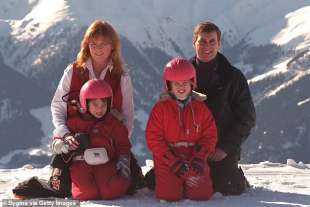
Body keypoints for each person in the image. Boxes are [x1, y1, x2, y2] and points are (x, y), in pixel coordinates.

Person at [49, 20, 144, 197]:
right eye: (93, 44)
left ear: (113, 47)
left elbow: (128, 113)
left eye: (104, 44)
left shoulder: (120, 76)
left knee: (125, 186)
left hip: (108, 143)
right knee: (62, 189)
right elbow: (57, 106)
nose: (98, 48)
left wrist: (116, 143)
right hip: (76, 143)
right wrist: (65, 134)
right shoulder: (73, 71)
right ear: (86, 45)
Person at [189, 21, 256, 195]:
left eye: (212, 41)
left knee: (222, 187)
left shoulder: (233, 77)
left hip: (219, 149)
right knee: (157, 182)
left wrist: (225, 148)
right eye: (202, 41)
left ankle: (235, 175)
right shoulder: (182, 74)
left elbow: (247, 118)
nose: (207, 46)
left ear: (219, 44)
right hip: (189, 147)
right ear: (194, 42)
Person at [146, 58, 218, 201]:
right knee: (169, 196)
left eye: (185, 82)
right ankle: (166, 180)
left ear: (192, 83)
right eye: (176, 83)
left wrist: (200, 157)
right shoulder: (161, 109)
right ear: (169, 85)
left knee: (201, 195)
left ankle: (186, 183)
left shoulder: (200, 107)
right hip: (169, 158)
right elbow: (153, 138)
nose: (181, 87)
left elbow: (210, 135)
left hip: (194, 156)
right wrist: (171, 160)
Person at [51, 80, 131, 200]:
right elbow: (58, 137)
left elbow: (123, 145)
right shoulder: (75, 123)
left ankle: (130, 181)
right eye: (95, 104)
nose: (100, 109)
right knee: (85, 194)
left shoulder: (113, 124)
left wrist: (124, 163)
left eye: (104, 104)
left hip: (106, 165)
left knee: (112, 191)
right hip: (81, 165)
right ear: (85, 103)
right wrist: (62, 144)